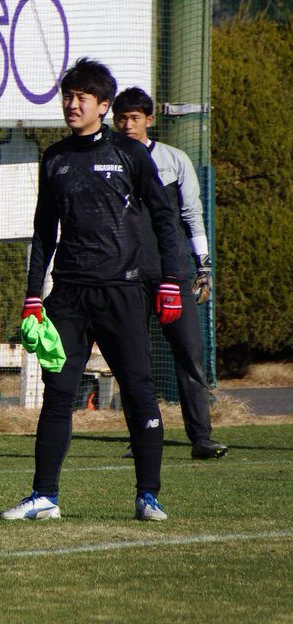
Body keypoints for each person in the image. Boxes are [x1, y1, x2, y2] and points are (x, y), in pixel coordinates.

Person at [2, 58, 188, 523]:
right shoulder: (55, 158)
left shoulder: (130, 153)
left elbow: (164, 218)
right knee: (58, 393)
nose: (72, 104)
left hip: (123, 293)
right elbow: (44, 230)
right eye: (68, 96)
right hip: (67, 296)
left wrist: (168, 280)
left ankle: (148, 495)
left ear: (103, 106)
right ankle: (44, 496)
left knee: (138, 390)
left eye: (82, 97)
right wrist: (31, 294)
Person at [112, 86, 226, 460]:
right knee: (134, 362)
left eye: (134, 118)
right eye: (121, 118)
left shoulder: (174, 160)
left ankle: (202, 438)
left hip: (171, 274)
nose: (128, 125)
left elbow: (192, 215)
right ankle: (143, 436)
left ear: (149, 119)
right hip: (126, 277)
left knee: (189, 354)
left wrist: (203, 266)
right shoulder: (108, 160)